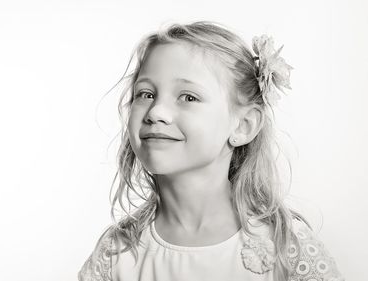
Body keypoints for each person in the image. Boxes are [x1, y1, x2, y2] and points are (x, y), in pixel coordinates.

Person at [78, 20, 344, 281]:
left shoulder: (286, 248)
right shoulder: (116, 255)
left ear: (243, 125)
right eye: (146, 94)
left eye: (188, 97)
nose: (156, 112)